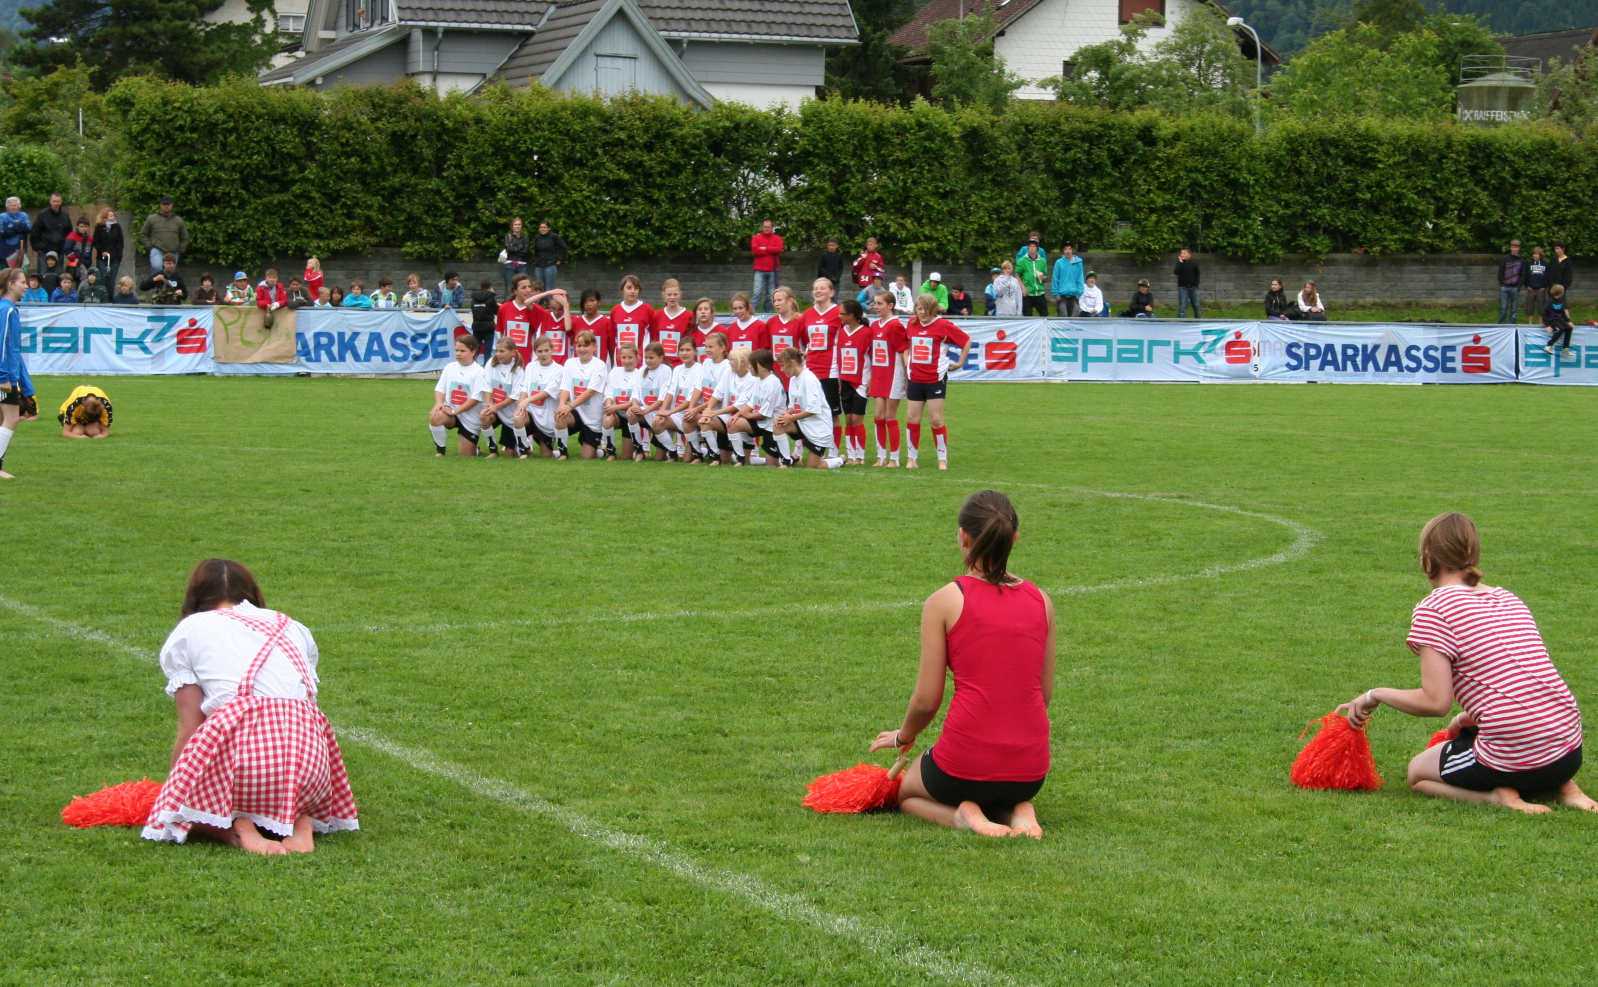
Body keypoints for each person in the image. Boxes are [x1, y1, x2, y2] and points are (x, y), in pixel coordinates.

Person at [1336, 513, 1595, 816]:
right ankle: (1566, 787)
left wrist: (1375, 695)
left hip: (1515, 754)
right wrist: (1466, 718)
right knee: (1525, 741)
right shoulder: (1509, 599)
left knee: (1417, 774)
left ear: (1428, 557)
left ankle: (1497, 798)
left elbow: (1436, 703)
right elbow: (1520, 682)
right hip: (1569, 748)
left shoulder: (1434, 609)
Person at [141, 558, 359, 853]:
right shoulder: (293, 627)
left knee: (183, 811)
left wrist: (176, 794)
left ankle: (237, 829)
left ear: (196, 596)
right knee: (281, 752)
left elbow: (190, 728)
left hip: (250, 768)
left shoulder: (191, 629)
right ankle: (300, 820)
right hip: (310, 767)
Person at [869, 490, 1053, 837]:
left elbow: (926, 700)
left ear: (962, 537)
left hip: (963, 764)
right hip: (1030, 773)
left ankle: (962, 816)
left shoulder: (944, 601)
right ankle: (1018, 810)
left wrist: (903, 735)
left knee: (906, 792)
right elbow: (1042, 694)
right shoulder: (1042, 601)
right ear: (1014, 538)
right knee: (996, 789)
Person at [903, 293, 973, 471]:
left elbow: (966, 340)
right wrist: (907, 366)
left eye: (926, 309)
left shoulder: (943, 325)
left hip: (935, 379)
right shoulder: (911, 324)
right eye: (919, 309)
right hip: (915, 379)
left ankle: (942, 459)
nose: (922, 312)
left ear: (934, 310)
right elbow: (906, 348)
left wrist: (960, 363)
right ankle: (912, 458)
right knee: (912, 419)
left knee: (936, 420)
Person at [774, 347, 843, 470]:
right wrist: (785, 415)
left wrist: (791, 418)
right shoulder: (793, 379)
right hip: (803, 424)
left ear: (792, 362)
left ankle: (840, 460)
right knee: (778, 424)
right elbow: (793, 406)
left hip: (819, 429)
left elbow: (813, 409)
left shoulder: (809, 379)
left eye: (783, 365)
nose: (781, 369)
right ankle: (786, 461)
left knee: (814, 466)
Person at [801, 277, 843, 455]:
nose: (818, 291)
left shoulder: (839, 312)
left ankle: (833, 452)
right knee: (808, 412)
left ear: (832, 292)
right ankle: (808, 451)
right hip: (810, 370)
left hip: (830, 370)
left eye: (822, 288)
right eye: (815, 288)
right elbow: (805, 341)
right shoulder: (807, 314)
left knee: (832, 414)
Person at [556, 329, 609, 458]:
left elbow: (590, 392)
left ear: (594, 347)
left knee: (587, 457)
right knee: (560, 416)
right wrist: (562, 405)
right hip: (576, 412)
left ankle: (602, 451)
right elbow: (565, 387)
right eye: (579, 345)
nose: (582, 349)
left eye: (586, 345)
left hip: (593, 419)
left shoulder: (600, 365)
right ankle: (562, 452)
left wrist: (569, 406)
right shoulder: (570, 363)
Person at [429, 335, 486, 456]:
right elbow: (440, 389)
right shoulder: (450, 367)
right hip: (451, 412)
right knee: (435, 416)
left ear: (473, 352)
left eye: (462, 351)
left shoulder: (479, 372)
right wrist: (439, 403)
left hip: (470, 418)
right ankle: (440, 451)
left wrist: (455, 411)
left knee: (466, 455)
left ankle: (474, 448)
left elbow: (475, 399)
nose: (458, 354)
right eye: (457, 350)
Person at [834, 298, 873, 466]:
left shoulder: (867, 333)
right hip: (845, 381)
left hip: (861, 382)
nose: (839, 316)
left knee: (857, 419)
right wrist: (839, 379)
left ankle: (860, 456)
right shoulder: (842, 332)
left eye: (842, 314)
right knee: (848, 419)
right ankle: (851, 455)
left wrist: (871, 380)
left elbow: (873, 357)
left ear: (852, 315)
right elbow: (839, 357)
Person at [0, 267, 31, 478]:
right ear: (10, 285)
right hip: (4, 377)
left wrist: (27, 387)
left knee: (6, 418)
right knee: (11, 418)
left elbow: (14, 350)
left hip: (8, 375)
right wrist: (3, 377)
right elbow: (2, 344)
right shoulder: (7, 310)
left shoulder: (9, 309)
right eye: (22, 282)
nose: (26, 286)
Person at [515, 336, 566, 458]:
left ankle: (557, 451)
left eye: (546, 350)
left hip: (547, 422)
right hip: (531, 415)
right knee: (517, 417)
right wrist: (521, 404)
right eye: (540, 351)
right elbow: (524, 388)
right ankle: (524, 448)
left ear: (552, 350)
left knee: (546, 456)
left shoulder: (559, 370)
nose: (543, 354)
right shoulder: (530, 367)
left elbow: (547, 393)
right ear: (535, 352)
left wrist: (528, 400)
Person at [480, 335, 528, 458]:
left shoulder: (518, 370)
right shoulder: (491, 363)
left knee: (510, 454)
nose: (498, 354)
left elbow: (514, 396)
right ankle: (493, 450)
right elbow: (487, 386)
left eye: (502, 351)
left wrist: (496, 407)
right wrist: (488, 404)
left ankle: (525, 445)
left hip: (510, 415)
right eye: (497, 351)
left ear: (513, 353)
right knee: (484, 416)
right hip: (495, 409)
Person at [601, 342, 643, 460]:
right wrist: (609, 406)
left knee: (626, 457)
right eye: (624, 357)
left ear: (637, 358)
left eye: (630, 357)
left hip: (631, 416)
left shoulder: (639, 374)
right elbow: (609, 393)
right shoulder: (614, 372)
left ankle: (639, 450)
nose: (627, 361)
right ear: (620, 358)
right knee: (607, 418)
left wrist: (614, 407)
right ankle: (611, 451)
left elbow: (634, 400)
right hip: (617, 415)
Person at [609, 275, 654, 365]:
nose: (633, 291)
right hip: (620, 363)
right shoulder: (615, 311)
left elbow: (654, 335)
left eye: (636, 288)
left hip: (641, 363)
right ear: (622, 290)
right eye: (629, 288)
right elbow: (613, 338)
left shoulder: (647, 310)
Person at [139, 195, 188, 271]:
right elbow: (143, 234)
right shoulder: (151, 218)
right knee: (157, 267)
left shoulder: (178, 220)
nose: (166, 206)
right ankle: (155, 278)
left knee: (170, 272)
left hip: (173, 251)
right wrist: (150, 247)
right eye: (164, 204)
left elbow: (185, 237)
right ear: (160, 205)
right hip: (157, 250)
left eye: (168, 204)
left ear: (172, 205)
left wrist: (180, 249)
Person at [31, 193, 72, 273]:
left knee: (58, 276)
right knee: (43, 276)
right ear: (50, 202)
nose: (56, 203)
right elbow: (35, 232)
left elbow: (69, 233)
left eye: (58, 201)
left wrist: (64, 247)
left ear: (61, 202)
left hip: (59, 252)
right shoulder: (42, 215)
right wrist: (38, 247)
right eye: (54, 201)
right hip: (44, 252)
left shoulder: (65, 216)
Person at [750, 219, 783, 313]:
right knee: (757, 293)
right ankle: (751, 314)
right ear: (762, 227)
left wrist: (764, 248)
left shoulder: (777, 238)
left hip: (773, 270)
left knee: (771, 295)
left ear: (772, 228)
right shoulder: (756, 238)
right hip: (759, 270)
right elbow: (755, 251)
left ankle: (767, 314)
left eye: (768, 227)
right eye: (765, 227)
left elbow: (778, 249)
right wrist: (770, 250)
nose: (766, 229)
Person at [1051, 243, 1085, 317]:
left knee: (1074, 318)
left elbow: (1080, 278)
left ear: (1072, 250)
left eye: (1069, 249)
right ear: (1063, 251)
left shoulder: (1078, 263)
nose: (1068, 251)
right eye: (1065, 249)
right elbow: (1055, 278)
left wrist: (1079, 293)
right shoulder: (1059, 263)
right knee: (1063, 318)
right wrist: (1056, 294)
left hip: (1074, 295)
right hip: (1062, 295)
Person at [531, 221, 567, 290]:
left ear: (549, 228)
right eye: (541, 227)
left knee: (549, 288)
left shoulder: (554, 237)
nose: (542, 229)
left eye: (544, 227)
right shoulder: (537, 237)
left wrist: (559, 259)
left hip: (550, 265)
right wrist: (535, 260)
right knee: (539, 288)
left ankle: (549, 298)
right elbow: (536, 250)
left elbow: (563, 247)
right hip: (539, 266)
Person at [1016, 241, 1048, 317]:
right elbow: (1017, 275)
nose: (1032, 248)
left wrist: (1043, 277)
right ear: (1028, 248)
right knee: (1027, 317)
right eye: (1030, 246)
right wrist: (1023, 288)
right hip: (1027, 293)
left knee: (1044, 316)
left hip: (1040, 293)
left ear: (1037, 249)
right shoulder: (1022, 261)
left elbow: (1046, 276)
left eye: (1034, 246)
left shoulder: (1043, 261)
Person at [92, 208, 122, 287]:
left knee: (111, 280)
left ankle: (110, 295)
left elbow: (120, 242)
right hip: (102, 258)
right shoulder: (99, 227)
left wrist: (118, 257)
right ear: (105, 217)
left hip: (114, 258)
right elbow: (95, 242)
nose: (113, 218)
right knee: (103, 278)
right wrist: (102, 251)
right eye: (110, 216)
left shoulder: (117, 227)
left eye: (113, 216)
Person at [1497, 239, 1524, 324]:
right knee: (1503, 307)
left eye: (1516, 247)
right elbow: (1500, 272)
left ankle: (1512, 324)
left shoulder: (1522, 260)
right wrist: (1502, 284)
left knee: (1514, 308)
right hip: (1505, 287)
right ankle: (1502, 323)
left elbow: (1522, 274)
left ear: (1519, 248)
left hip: (1515, 287)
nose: (1515, 249)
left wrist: (1518, 286)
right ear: (1510, 248)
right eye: (1513, 247)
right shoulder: (1505, 258)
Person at [1542, 284, 1574, 356]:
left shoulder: (1562, 301)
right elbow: (1544, 314)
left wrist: (1568, 321)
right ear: (1561, 292)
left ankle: (1565, 348)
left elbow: (1564, 312)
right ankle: (1548, 346)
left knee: (1569, 328)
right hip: (1552, 320)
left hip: (1560, 319)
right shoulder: (1550, 301)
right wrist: (1547, 325)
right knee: (1561, 329)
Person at [469, 279, 497, 361]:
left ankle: (472, 363)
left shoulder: (474, 298)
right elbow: (496, 311)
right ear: (490, 287)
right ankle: (486, 366)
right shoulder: (491, 297)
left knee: (475, 349)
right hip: (488, 327)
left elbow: (473, 309)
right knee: (488, 350)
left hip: (476, 326)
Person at [502, 217, 530, 295]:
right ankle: (509, 302)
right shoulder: (508, 236)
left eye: (519, 224)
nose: (517, 226)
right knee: (509, 287)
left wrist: (514, 248)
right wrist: (520, 247)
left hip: (522, 264)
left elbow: (525, 251)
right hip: (510, 264)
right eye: (515, 224)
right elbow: (509, 249)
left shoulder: (525, 237)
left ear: (521, 226)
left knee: (523, 286)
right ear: (512, 226)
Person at [0, 196, 29, 269]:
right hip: (5, 251)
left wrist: (11, 226)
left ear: (19, 206)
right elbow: (2, 232)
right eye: (11, 205)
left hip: (20, 249)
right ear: (7, 206)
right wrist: (18, 225)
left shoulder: (24, 215)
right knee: (6, 272)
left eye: (15, 205)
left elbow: (27, 229)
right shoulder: (2, 216)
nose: (13, 207)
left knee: (20, 271)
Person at [1524, 246, 1550, 325]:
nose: (1535, 255)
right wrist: (1527, 285)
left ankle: (1540, 322)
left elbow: (1547, 276)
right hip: (1531, 288)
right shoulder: (1529, 263)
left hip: (1541, 289)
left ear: (1540, 255)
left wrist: (1544, 286)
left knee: (1541, 306)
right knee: (1530, 305)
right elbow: (1525, 275)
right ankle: (1530, 322)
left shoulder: (1545, 264)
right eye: (1534, 254)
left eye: (1537, 254)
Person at [1174, 247, 1200, 318]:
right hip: (1183, 288)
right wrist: (1180, 263)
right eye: (1181, 253)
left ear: (1189, 254)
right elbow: (1176, 272)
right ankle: (1180, 320)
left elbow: (1197, 274)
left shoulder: (1194, 264)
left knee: (1196, 304)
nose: (1182, 254)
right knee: (1183, 305)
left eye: (1184, 253)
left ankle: (1198, 320)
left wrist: (1196, 284)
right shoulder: (1179, 263)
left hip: (1193, 288)